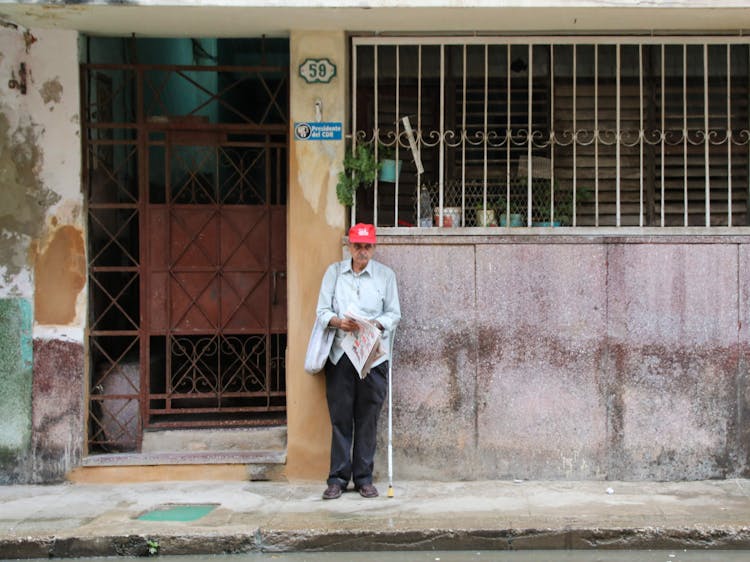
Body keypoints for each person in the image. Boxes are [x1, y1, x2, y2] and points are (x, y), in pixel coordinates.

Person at [315, 223, 401, 500]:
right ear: (348, 246)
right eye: (357, 246)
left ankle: (363, 477)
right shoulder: (334, 273)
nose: (362, 251)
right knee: (341, 418)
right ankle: (337, 479)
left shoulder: (386, 276)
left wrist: (373, 323)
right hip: (340, 355)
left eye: (367, 246)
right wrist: (339, 321)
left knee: (367, 418)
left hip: (372, 357)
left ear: (374, 247)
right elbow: (322, 311)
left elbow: (394, 314)